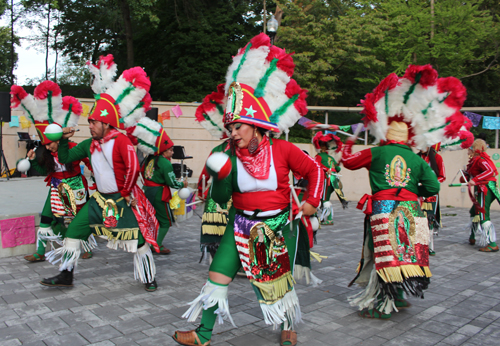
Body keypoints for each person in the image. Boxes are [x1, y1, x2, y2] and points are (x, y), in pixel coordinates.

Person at [173, 33, 323, 346]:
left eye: (238, 126)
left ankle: (286, 325)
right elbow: (219, 199)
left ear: (255, 124)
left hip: (275, 225)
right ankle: (203, 334)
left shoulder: (282, 149)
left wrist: (311, 203)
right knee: (217, 276)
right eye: (229, 127)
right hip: (239, 224)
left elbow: (315, 170)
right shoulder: (227, 154)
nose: (233, 132)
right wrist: (222, 175)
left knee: (275, 283)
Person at [344, 65, 473, 319]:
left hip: (383, 208)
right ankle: (400, 297)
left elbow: (348, 162)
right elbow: (434, 186)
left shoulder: (378, 152)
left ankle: (383, 306)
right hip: (412, 209)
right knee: (406, 254)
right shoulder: (416, 159)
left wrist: (350, 141)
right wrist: (415, 191)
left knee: (383, 254)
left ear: (385, 133)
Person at [35, 55, 160, 291]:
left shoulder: (121, 140)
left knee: (138, 240)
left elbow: (133, 168)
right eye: (89, 121)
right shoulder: (87, 144)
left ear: (106, 122)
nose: (89, 125)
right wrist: (62, 139)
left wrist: (125, 193)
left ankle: (148, 276)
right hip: (100, 200)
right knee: (73, 231)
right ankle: (66, 275)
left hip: (122, 198)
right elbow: (64, 159)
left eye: (93, 122)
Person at [10, 81, 94, 262]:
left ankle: (85, 247)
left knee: (79, 218)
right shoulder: (46, 154)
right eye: (45, 143)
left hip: (76, 187)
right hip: (56, 188)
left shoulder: (72, 147)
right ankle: (40, 252)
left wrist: (97, 176)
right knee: (46, 218)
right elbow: (41, 170)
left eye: (49, 143)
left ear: (57, 139)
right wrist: (29, 161)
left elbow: (89, 161)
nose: (47, 147)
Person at [133, 117, 188, 255]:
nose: (172, 152)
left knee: (149, 217)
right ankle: (157, 245)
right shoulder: (165, 163)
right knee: (165, 221)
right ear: (163, 151)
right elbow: (172, 183)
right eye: (170, 150)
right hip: (159, 194)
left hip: (148, 192)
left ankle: (144, 241)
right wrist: (183, 183)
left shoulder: (149, 159)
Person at [194, 87, 231, 263]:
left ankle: (218, 259)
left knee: (216, 229)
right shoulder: (248, 149)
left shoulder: (218, 149)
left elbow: (204, 175)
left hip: (215, 198)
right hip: (232, 198)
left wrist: (201, 193)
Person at [462, 138, 500, 252]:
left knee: (483, 214)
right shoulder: (475, 161)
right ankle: (472, 237)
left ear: (474, 149)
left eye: (470, 148)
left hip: (485, 189)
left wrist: (475, 179)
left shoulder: (481, 159)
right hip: (480, 189)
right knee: (474, 212)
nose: (468, 151)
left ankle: (492, 243)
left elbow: (490, 171)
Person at [312, 132, 347, 225]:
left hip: (326, 180)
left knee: (324, 199)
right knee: (324, 198)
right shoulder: (330, 157)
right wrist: (332, 168)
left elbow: (315, 165)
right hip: (334, 180)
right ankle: (324, 217)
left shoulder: (318, 156)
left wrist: (327, 169)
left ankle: (329, 219)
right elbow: (338, 168)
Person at [418, 144, 446, 256]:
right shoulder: (416, 157)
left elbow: (442, 176)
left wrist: (430, 184)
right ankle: (419, 244)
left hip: (431, 194)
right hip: (418, 193)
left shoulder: (437, 158)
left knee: (429, 219)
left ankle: (429, 246)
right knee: (417, 218)